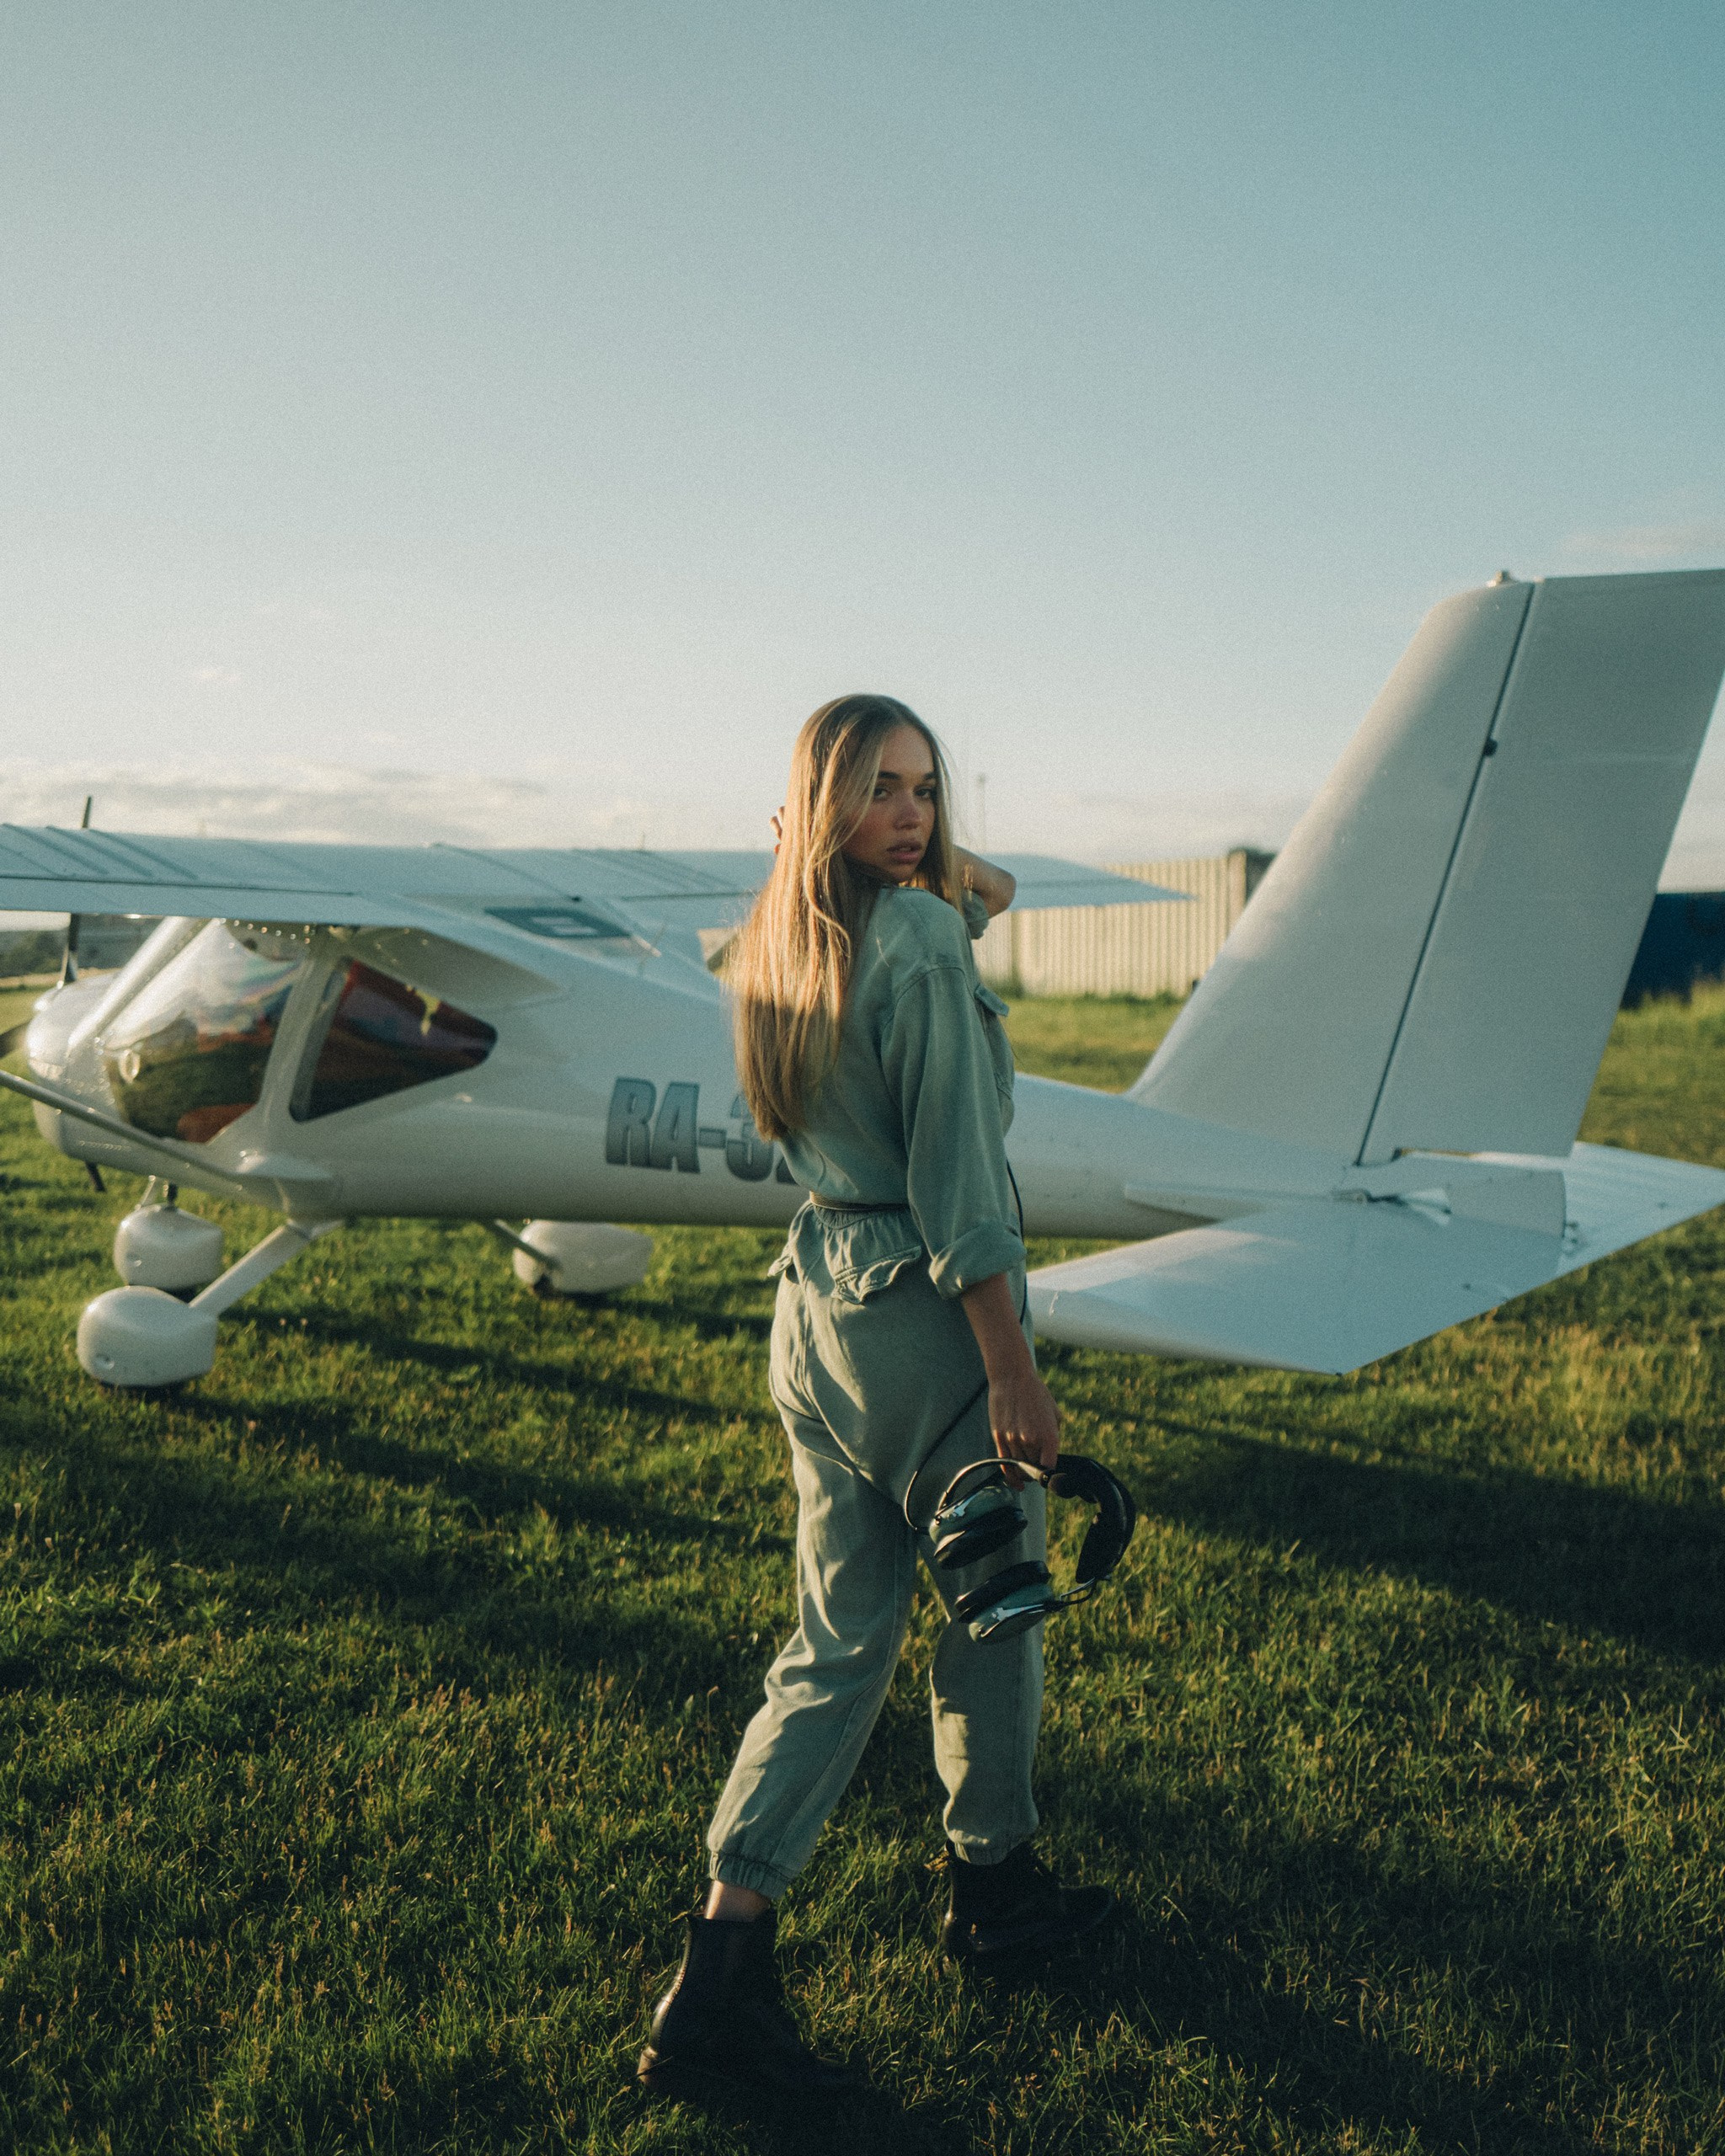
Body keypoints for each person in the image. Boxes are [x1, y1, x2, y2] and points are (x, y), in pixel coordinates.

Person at [637, 694, 1114, 2096]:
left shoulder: (779, 937)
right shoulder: (909, 942)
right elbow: (964, 1186)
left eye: (924, 787)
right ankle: (996, 1891)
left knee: (837, 1643)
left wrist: (844, 848)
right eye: (879, 790)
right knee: (996, 1612)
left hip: (817, 1307)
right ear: (824, 801)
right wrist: (1012, 1370)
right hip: (927, 1322)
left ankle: (722, 1958)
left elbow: (991, 885)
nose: (912, 815)